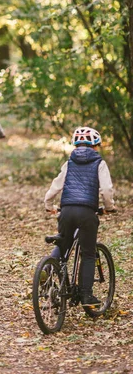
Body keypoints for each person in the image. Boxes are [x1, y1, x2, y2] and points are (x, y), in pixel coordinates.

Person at [44, 126, 116, 307]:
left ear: (76, 145)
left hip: (66, 211)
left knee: (63, 244)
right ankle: (86, 296)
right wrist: (109, 207)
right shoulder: (99, 163)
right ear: (95, 146)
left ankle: (48, 268)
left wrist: (48, 205)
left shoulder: (69, 163)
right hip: (87, 213)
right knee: (88, 253)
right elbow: (106, 189)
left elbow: (56, 186)